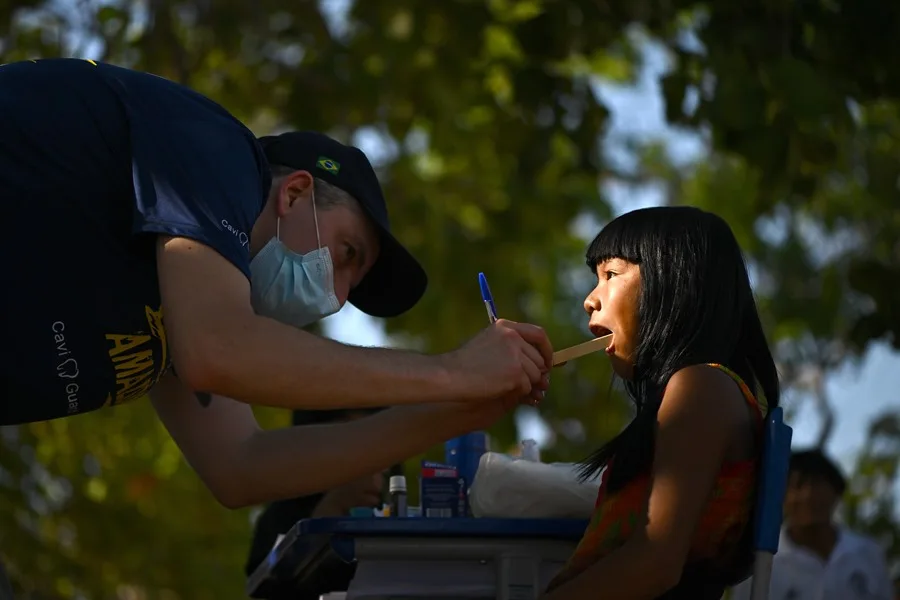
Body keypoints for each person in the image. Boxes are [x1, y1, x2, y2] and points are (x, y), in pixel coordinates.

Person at [0, 57, 553, 511]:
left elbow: (241, 467)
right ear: (293, 193)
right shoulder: (216, 151)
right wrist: (454, 371)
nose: (335, 297)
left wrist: (461, 409)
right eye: (346, 255)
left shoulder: (183, 295)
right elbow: (220, 350)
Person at [541, 206, 780, 599]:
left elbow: (655, 562)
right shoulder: (700, 391)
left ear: (673, 282)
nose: (590, 300)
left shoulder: (700, 388)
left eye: (610, 275)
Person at [244, 408, 389, 600]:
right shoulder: (282, 514)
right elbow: (268, 583)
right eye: (348, 436)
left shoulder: (390, 513)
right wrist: (331, 509)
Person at [730, 449, 894, 600]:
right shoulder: (760, 563)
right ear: (781, 496)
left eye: (816, 484)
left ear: (837, 492)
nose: (807, 495)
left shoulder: (868, 553)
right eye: (797, 485)